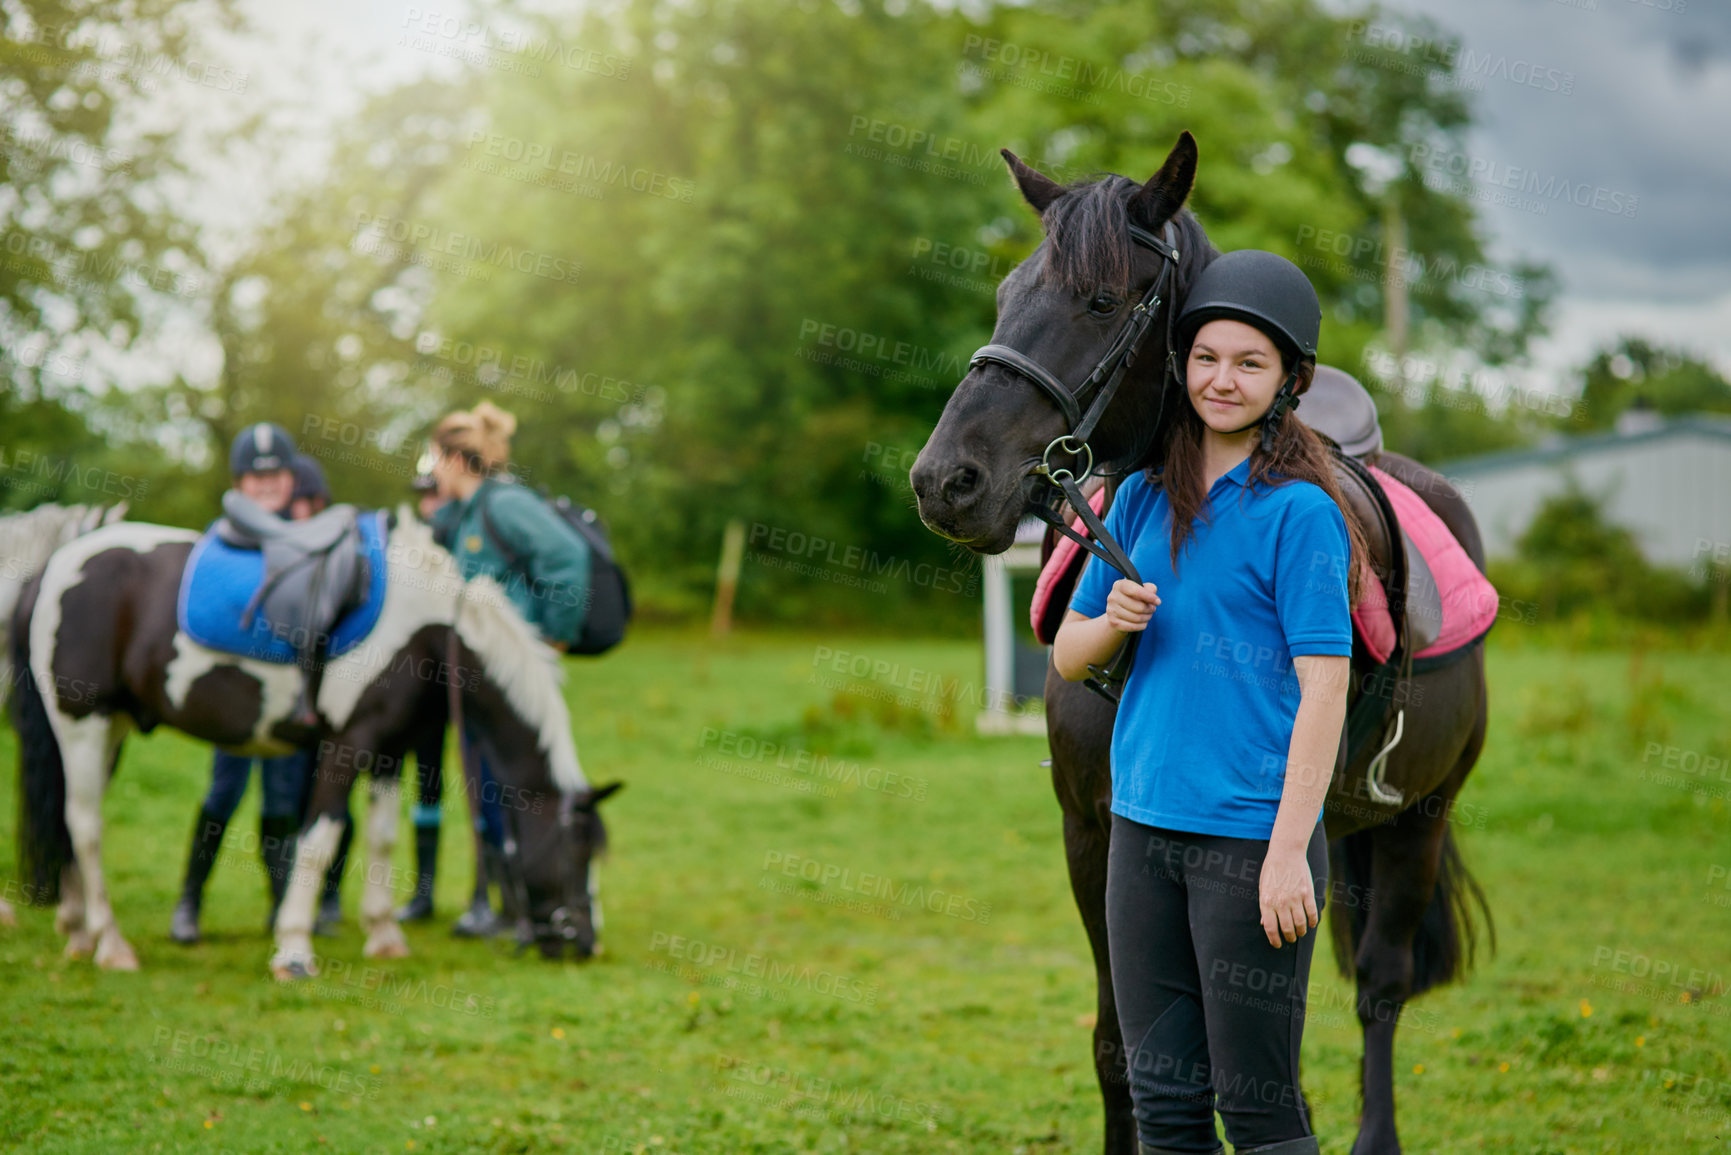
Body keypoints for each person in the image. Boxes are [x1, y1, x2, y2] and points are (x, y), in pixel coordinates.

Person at [1053, 251, 1366, 1155]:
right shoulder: (1143, 498)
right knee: (1165, 1108)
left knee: (1259, 1111)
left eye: (1249, 363)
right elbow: (1071, 657)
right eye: (1205, 357)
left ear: (1289, 381)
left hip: (1248, 844)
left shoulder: (1298, 514)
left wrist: (1285, 854)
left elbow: (1325, 686)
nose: (1220, 379)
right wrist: (1111, 617)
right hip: (1140, 832)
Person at [423, 401, 591, 937]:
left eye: (434, 460)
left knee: (520, 788)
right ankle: (508, 902)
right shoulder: (467, 513)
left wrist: (553, 634)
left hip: (514, 681)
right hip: (481, 685)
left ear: (453, 459)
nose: (431, 473)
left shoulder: (508, 504)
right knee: (487, 788)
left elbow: (567, 557)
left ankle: (541, 899)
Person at [171, 427, 322, 944]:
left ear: (290, 479)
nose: (265, 485)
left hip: (288, 699)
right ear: (239, 481)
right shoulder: (220, 544)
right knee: (222, 793)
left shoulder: (310, 541)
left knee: (283, 804)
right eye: (256, 476)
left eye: (275, 474)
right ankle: (190, 900)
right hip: (233, 699)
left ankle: (282, 907)